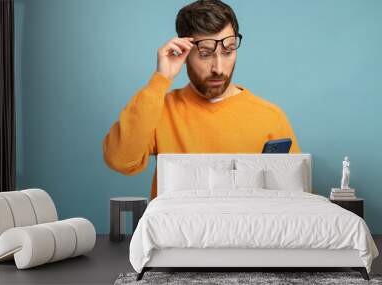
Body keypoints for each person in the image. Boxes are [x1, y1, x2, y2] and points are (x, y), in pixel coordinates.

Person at [102, 0, 301, 200]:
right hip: (176, 229)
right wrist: (161, 79)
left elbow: (295, 198)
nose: (218, 68)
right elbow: (120, 160)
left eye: (228, 51)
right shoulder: (160, 110)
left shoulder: (270, 117)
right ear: (184, 51)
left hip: (248, 228)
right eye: (205, 54)